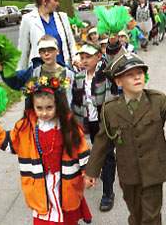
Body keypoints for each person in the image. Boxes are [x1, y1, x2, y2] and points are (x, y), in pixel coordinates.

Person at [84, 52, 166, 225]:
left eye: (139, 73)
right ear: (118, 81)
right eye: (130, 75)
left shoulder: (157, 100)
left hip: (153, 170)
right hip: (128, 172)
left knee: (151, 217)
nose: (137, 77)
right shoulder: (110, 109)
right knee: (135, 214)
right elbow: (102, 141)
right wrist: (91, 171)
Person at [0, 77, 92, 225]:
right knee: (44, 215)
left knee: (66, 215)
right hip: (40, 183)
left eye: (49, 108)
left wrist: (88, 173)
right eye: (39, 108)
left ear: (57, 105)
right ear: (32, 107)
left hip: (64, 181)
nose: (44, 113)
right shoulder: (25, 127)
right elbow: (11, 144)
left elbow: (82, 150)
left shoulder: (68, 126)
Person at [71, 43, 118, 212]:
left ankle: (108, 193)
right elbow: (76, 102)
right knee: (100, 152)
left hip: (105, 121)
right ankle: (108, 166)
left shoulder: (106, 73)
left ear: (98, 56)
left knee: (105, 155)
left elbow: (115, 60)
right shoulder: (79, 77)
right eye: (82, 57)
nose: (84, 60)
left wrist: (113, 44)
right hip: (90, 122)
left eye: (88, 57)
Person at [18, 0, 78, 71]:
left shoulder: (62, 17)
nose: (58, 3)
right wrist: (20, 74)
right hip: (40, 73)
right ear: (45, 1)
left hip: (63, 69)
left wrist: (75, 58)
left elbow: (71, 43)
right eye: (55, 0)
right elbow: (23, 51)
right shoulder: (28, 20)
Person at [0, 35, 75, 106]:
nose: (46, 53)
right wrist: (4, 70)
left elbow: (78, 98)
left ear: (57, 51)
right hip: (41, 117)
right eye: (43, 50)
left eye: (50, 50)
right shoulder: (33, 73)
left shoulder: (69, 74)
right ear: (39, 53)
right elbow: (16, 80)